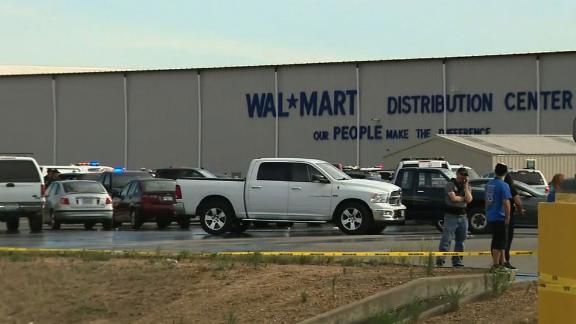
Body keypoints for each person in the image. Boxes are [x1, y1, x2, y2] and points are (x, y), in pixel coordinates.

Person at [437, 167, 473, 267]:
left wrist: (465, 187)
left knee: (461, 240)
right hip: (451, 216)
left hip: (463, 216)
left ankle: (457, 261)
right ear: (457, 174)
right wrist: (463, 198)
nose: (463, 177)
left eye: (465, 175)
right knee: (447, 239)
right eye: (461, 174)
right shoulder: (450, 185)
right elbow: (454, 199)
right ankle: (441, 259)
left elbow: (469, 199)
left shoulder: (467, 186)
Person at [486, 163, 512, 272]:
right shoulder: (503, 185)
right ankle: (496, 264)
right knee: (500, 241)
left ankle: (502, 262)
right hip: (500, 217)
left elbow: (487, 201)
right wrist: (507, 216)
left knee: (498, 239)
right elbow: (506, 202)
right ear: (505, 173)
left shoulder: (489, 184)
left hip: (491, 215)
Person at [503, 174, 524, 270]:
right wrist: (520, 210)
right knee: (507, 240)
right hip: (508, 217)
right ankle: (506, 261)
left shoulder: (496, 186)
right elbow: (517, 201)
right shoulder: (510, 187)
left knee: (497, 241)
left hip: (496, 216)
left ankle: (498, 262)